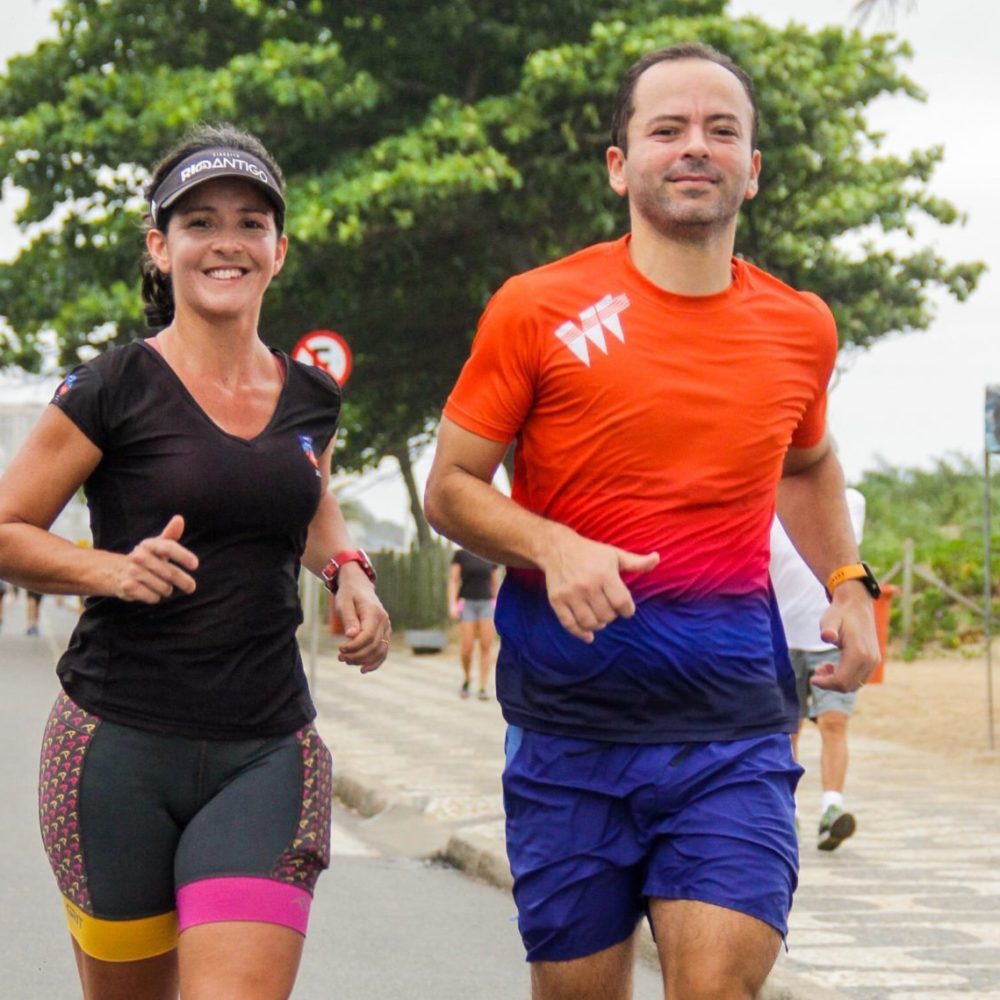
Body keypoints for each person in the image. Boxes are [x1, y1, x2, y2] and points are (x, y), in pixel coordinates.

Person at [424, 42, 881, 1000]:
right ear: (619, 163)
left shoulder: (800, 326)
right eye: (666, 128)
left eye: (723, 130)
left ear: (753, 169)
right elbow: (452, 485)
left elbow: (807, 462)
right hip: (567, 735)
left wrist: (850, 585)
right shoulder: (535, 309)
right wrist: (552, 544)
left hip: (733, 732)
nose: (695, 147)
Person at [0, 123, 391, 1000]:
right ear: (160, 245)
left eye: (251, 223)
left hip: (266, 749)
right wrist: (108, 569)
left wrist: (350, 571)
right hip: (116, 749)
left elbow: (305, 496)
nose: (226, 242)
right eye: (200, 221)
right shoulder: (110, 388)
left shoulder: (310, 397)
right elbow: (8, 525)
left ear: (278, 251)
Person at [771, 487, 868, 851]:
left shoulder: (849, 501)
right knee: (787, 729)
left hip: (829, 635)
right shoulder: (766, 502)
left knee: (834, 721)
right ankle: (787, 811)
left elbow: (841, 556)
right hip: (780, 633)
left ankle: (832, 809)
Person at [448, 548, 499, 700]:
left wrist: (497, 604)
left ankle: (482, 686)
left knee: (486, 645)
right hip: (467, 604)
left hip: (486, 605)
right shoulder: (460, 555)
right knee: (467, 647)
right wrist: (452, 604)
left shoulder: (490, 552)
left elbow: (494, 583)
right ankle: (467, 677)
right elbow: (454, 580)